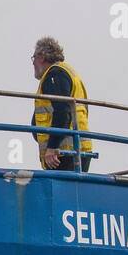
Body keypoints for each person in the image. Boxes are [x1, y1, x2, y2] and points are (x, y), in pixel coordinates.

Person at [31, 37, 92, 171]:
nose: (33, 63)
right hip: (76, 151)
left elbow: (62, 112)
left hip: (64, 153)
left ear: (41, 57)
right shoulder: (68, 73)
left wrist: (52, 147)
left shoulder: (54, 75)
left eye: (33, 58)